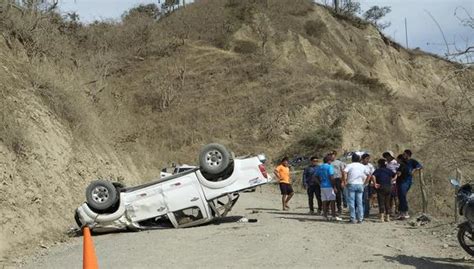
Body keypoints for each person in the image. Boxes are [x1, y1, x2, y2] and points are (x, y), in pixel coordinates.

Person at [343, 154, 371, 224]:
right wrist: (365, 183)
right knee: (360, 202)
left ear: (352, 159)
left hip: (351, 184)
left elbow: (344, 172)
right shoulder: (362, 166)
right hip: (360, 185)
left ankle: (353, 218)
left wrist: (345, 181)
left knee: (352, 202)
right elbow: (369, 175)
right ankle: (360, 219)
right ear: (359, 159)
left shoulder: (349, 165)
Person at [315, 156, 341, 221]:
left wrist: (319, 183)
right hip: (329, 186)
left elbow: (315, 176)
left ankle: (325, 216)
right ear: (329, 160)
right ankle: (333, 216)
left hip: (322, 186)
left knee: (324, 201)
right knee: (332, 201)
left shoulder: (320, 167)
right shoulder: (329, 167)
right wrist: (334, 187)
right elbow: (331, 177)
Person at [329, 151, 346, 215]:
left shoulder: (339, 163)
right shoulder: (329, 163)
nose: (331, 156)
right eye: (330, 155)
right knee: (331, 194)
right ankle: (332, 208)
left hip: (338, 179)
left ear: (335, 155)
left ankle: (339, 208)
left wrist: (343, 181)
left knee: (338, 194)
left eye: (332, 155)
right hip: (330, 179)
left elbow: (343, 172)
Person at [396, 154, 410, 219]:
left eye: (397, 159)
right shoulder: (406, 165)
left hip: (402, 183)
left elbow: (398, 174)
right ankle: (401, 213)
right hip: (404, 183)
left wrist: (395, 173)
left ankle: (405, 213)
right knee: (401, 198)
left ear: (400, 159)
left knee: (402, 198)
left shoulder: (402, 166)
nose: (396, 160)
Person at [361, 153, 375, 218]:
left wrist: (372, 182)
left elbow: (373, 175)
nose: (368, 160)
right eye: (366, 159)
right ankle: (360, 212)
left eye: (368, 159)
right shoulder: (360, 165)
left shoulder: (370, 166)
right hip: (359, 184)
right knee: (360, 199)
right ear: (362, 159)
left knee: (366, 199)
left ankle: (366, 213)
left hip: (367, 184)